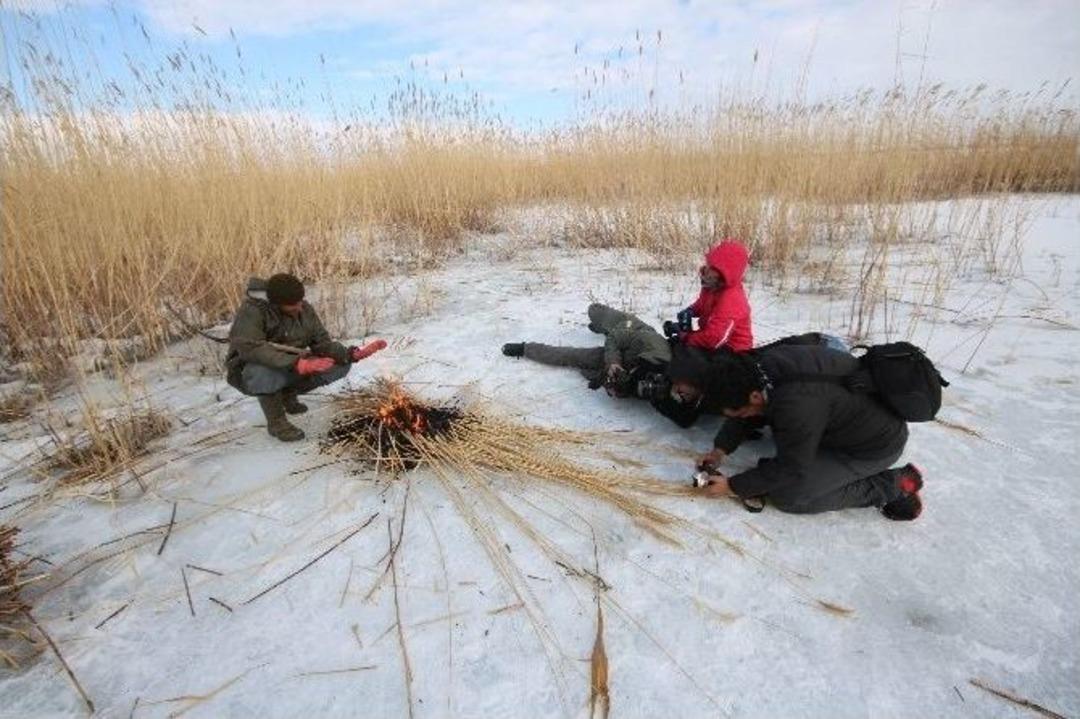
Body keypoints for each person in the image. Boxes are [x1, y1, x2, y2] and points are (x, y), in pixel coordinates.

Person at [689, 344, 924, 520]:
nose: (743, 418)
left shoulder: (796, 405)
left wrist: (733, 486)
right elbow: (745, 405)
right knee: (773, 442)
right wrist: (720, 450)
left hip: (873, 448)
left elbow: (791, 467)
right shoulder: (764, 366)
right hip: (842, 423)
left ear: (755, 396)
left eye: (741, 413)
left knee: (789, 495)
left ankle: (895, 485)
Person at [226, 273, 386, 442]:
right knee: (263, 371)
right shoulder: (253, 311)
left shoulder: (304, 308)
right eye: (292, 305)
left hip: (293, 364)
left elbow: (322, 343)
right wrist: (297, 364)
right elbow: (251, 349)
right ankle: (276, 423)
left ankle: (287, 394)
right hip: (249, 373)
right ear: (275, 303)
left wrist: (351, 354)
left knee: (339, 365)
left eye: (300, 301)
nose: (299, 307)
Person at [501, 303, 672, 399]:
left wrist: (605, 377)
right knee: (594, 310)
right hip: (628, 330)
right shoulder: (652, 344)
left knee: (573, 357)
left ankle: (525, 348)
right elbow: (615, 339)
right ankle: (601, 326)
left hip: (620, 356)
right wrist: (614, 362)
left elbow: (576, 360)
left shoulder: (640, 387)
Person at [664, 239, 753, 353]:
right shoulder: (711, 285)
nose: (707, 271)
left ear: (726, 274)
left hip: (732, 351)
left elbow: (714, 339)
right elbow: (702, 303)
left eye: (715, 269)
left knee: (681, 360)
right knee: (670, 347)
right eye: (710, 265)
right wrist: (691, 311)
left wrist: (685, 336)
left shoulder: (732, 300)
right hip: (710, 341)